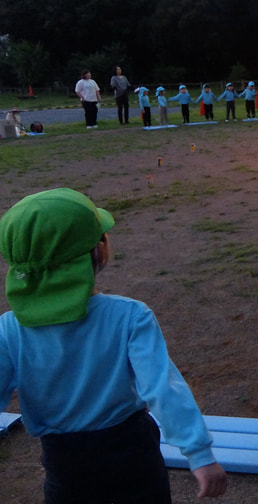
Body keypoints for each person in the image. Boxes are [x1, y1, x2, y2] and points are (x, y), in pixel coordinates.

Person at [0, 188, 227, 503]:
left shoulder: (9, 329)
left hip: (64, 465)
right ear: (97, 252)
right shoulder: (130, 316)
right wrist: (199, 453)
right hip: (132, 456)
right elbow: (162, 388)